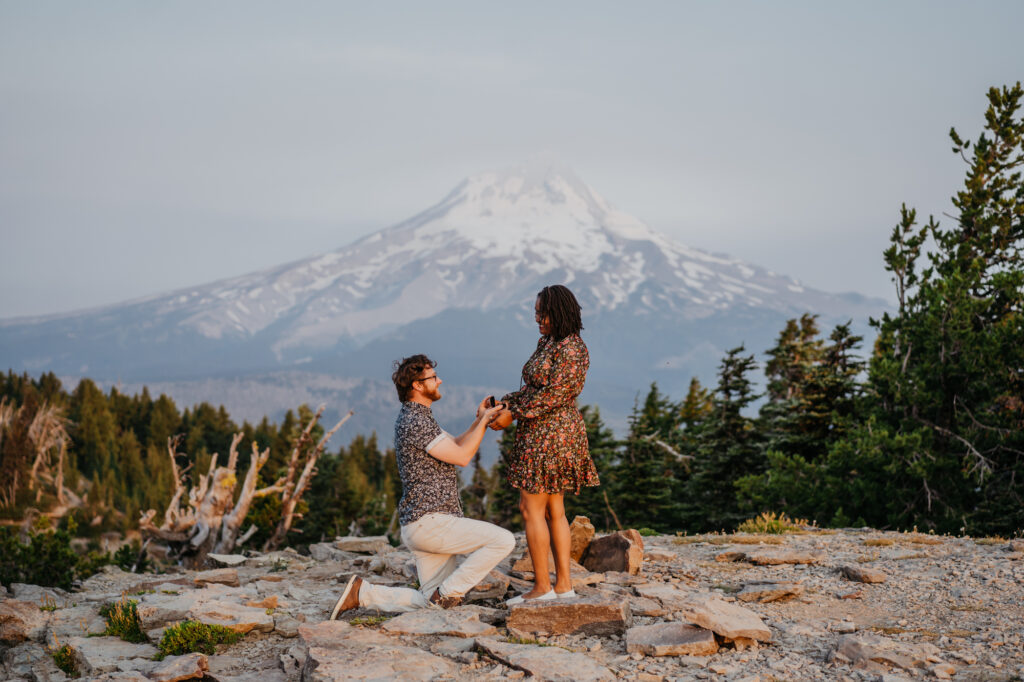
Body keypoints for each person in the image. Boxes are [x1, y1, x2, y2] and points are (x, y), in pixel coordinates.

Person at [330, 354, 515, 617]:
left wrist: (479, 419)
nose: (440, 381)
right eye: (433, 377)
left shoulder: (418, 417)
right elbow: (463, 457)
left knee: (429, 601)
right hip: (431, 522)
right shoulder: (415, 421)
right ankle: (449, 594)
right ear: (417, 385)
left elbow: (457, 446)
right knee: (503, 540)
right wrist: (485, 422)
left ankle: (363, 593)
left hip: (423, 523)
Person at [494, 284, 600, 605]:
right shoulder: (551, 343)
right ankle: (563, 586)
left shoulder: (571, 349)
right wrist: (506, 403)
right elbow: (535, 389)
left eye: (543, 313)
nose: (538, 318)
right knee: (554, 510)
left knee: (531, 509)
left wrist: (513, 413)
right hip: (545, 432)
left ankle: (543, 588)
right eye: (537, 313)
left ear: (560, 312)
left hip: (551, 435)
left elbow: (553, 396)